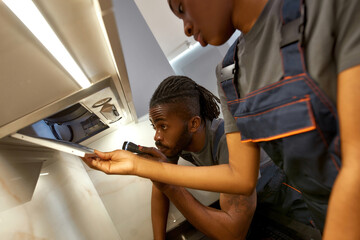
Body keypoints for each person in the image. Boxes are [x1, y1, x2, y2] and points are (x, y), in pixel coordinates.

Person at [82, 0, 360, 239]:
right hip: (325, 217)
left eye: (182, 8)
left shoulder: (322, 9)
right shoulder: (229, 74)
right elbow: (239, 177)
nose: (186, 28)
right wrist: (136, 166)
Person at [144, 75, 316, 239]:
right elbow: (160, 183)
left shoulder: (226, 141)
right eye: (154, 127)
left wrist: (169, 185)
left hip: (289, 193)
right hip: (261, 204)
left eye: (163, 126)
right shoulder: (179, 142)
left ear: (193, 124)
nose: (156, 136)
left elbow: (233, 234)